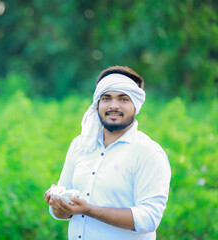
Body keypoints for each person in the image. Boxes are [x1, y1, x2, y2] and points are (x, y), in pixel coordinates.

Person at [44, 66, 171, 240]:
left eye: (123, 99)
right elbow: (64, 212)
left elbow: (149, 218)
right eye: (106, 98)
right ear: (97, 105)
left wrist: (88, 210)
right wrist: (58, 205)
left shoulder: (148, 152)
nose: (113, 106)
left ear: (136, 105)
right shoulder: (80, 145)